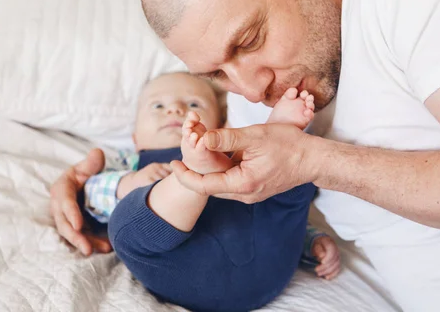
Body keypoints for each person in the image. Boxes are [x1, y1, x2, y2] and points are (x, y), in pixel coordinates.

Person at [51, 0, 440, 310]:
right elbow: (186, 164)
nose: (251, 89)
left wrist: (317, 161)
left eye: (249, 40)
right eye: (217, 75)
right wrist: (91, 182)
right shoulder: (256, 113)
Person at [81, 71, 340, 311]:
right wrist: (129, 183)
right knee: (124, 226)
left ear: (221, 123)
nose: (176, 109)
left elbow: (279, 220)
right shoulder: (130, 163)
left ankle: (278, 137)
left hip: (268, 264)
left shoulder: (230, 153)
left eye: (194, 105)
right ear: (135, 136)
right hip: (190, 271)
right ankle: (193, 178)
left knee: (277, 180)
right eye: (158, 106)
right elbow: (91, 196)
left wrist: (311, 241)